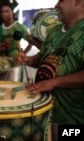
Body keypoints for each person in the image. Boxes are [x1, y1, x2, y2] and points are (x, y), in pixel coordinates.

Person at [16, 0, 84, 140]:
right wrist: (30, 60)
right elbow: (42, 57)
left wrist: (54, 82)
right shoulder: (54, 31)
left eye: (62, 0)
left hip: (74, 119)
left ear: (78, 2)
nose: (56, 5)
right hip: (47, 111)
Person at [0, 2, 34, 81]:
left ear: (13, 12)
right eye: (2, 12)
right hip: (1, 66)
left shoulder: (19, 27)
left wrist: (23, 54)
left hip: (15, 64)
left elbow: (31, 42)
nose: (4, 14)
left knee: (13, 88)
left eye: (7, 11)